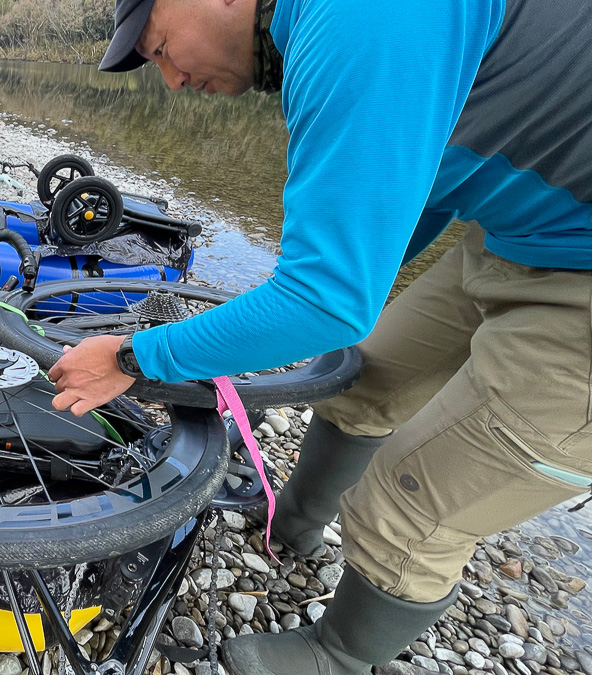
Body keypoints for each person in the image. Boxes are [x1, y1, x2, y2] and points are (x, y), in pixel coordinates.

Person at [47, 0, 592, 672]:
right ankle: (296, 524)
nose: (171, 80)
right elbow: (419, 188)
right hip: (532, 230)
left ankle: (339, 654)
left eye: (159, 46)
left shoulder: (362, 15)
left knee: (411, 495)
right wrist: (335, 278)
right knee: (366, 373)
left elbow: (326, 301)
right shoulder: (320, 23)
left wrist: (134, 356)